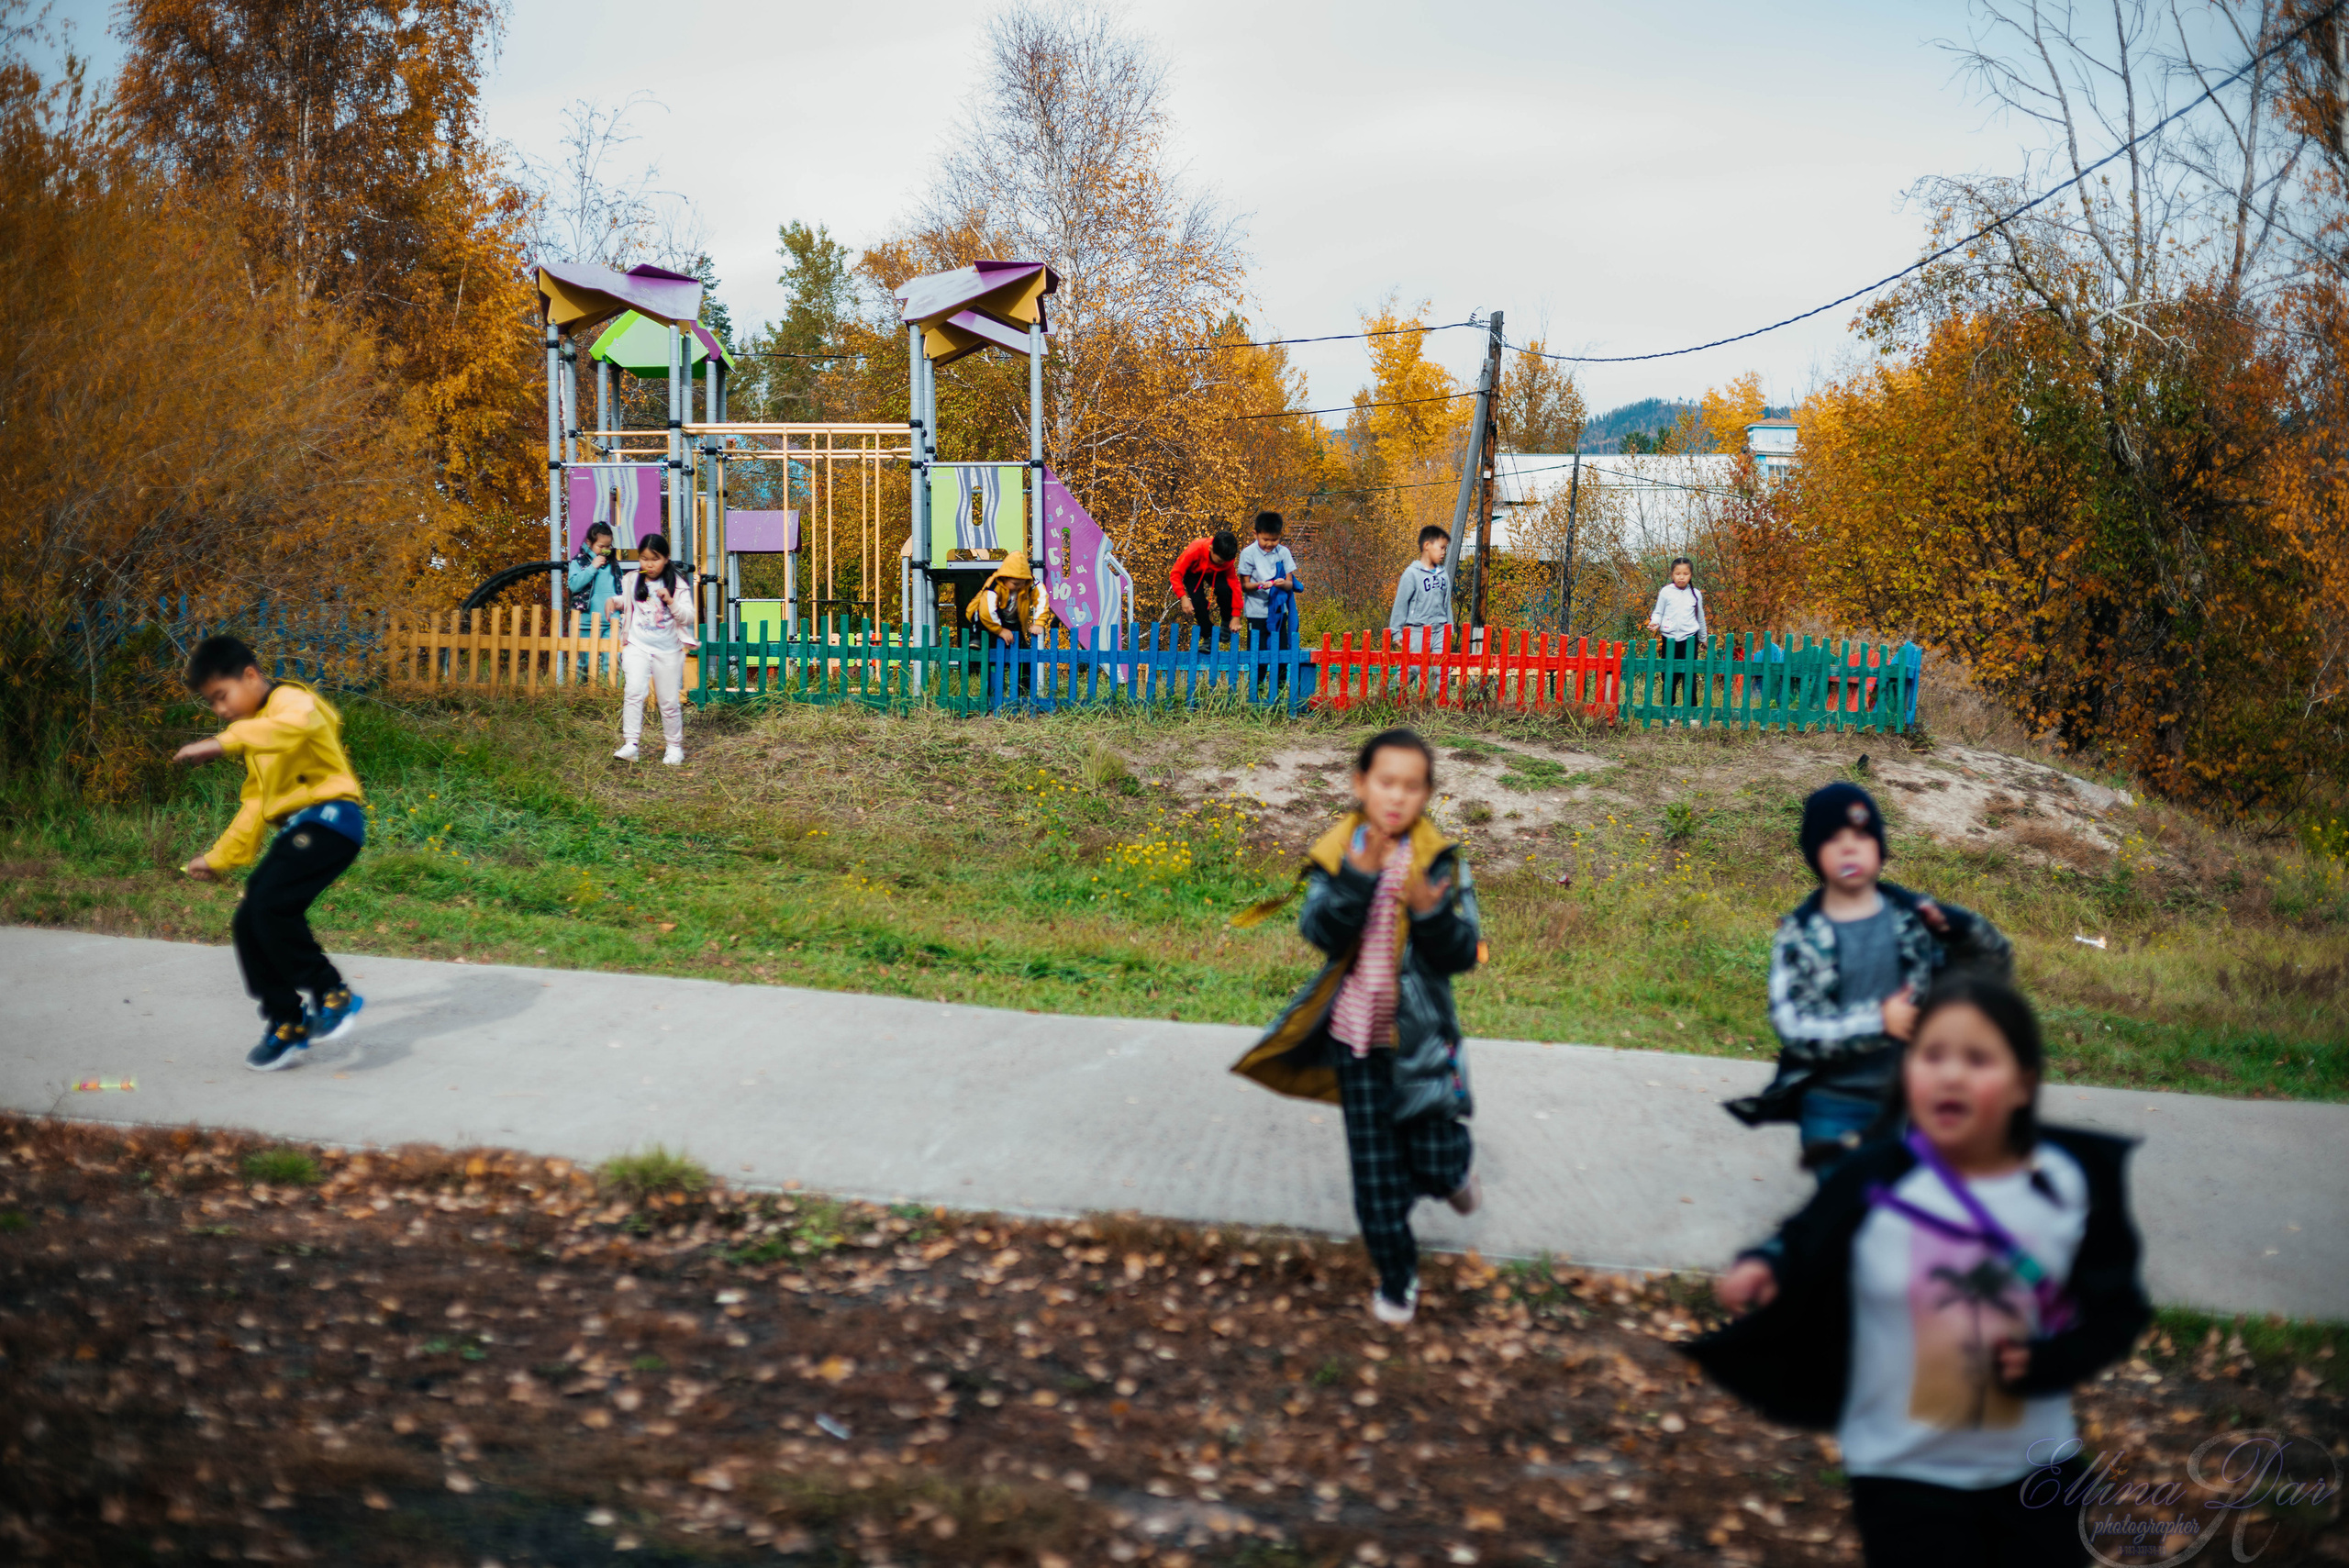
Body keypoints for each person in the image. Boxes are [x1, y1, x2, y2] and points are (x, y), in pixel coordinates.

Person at [1687, 975, 2149, 1568]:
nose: (1951, 1074)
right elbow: (1807, 1233)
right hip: (1902, 1472)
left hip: (2037, 1470)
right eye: (1932, 1055)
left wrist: (2053, 1361)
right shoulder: (1877, 1177)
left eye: (1978, 1058)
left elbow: (2120, 1309)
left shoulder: (2070, 1184)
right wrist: (1766, 1263)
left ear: (2024, 1082)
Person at [1230, 728, 1482, 1328]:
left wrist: (1428, 914)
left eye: (1411, 786)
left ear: (1427, 794)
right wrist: (1356, 878)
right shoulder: (1339, 849)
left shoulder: (1439, 859)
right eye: (1385, 782)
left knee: (1435, 1156)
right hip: (1355, 1040)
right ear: (1361, 784)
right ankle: (1398, 1280)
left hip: (1419, 1043)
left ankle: (1454, 1172)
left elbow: (1463, 952)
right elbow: (1319, 931)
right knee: (1375, 1178)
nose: (1396, 797)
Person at [1727, 783, 2011, 1178]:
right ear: (1814, 854)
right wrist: (1880, 1021)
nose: (1849, 847)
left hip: (1908, 1101)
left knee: (1903, 1215)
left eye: (1861, 836)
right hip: (1833, 1104)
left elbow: (1992, 970)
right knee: (1853, 1206)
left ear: (1879, 848)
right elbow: (1792, 1024)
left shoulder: (1911, 920)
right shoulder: (1801, 934)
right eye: (1833, 839)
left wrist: (1962, 929)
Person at [171, 635, 367, 1073]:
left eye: (222, 696)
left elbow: (293, 727)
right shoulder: (259, 738)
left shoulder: (292, 701)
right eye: (212, 704)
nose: (221, 711)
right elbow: (256, 806)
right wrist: (218, 857)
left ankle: (332, 993)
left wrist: (222, 742)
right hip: (303, 830)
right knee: (250, 919)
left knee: (268, 903)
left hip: (331, 820)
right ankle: (286, 1020)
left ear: (251, 675)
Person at [606, 532, 697, 765]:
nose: (649, 564)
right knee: (634, 692)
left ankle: (674, 747)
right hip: (637, 646)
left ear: (666, 558)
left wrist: (670, 601)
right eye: (644, 558)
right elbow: (627, 601)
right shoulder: (632, 579)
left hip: (668, 651)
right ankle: (631, 745)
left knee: (668, 701)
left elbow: (688, 617)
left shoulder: (677, 584)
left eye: (654, 558)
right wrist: (614, 602)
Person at [971, 550, 1055, 699]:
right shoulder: (994, 583)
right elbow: (987, 610)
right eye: (1015, 584)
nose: (1018, 587)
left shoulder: (1029, 583)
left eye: (1021, 583)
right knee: (994, 655)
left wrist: (1039, 622)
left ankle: (1024, 692)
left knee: (1024, 655)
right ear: (1005, 577)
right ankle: (992, 692)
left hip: (1013, 623)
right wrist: (1000, 630)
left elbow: (1042, 597)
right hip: (988, 620)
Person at [1237, 511, 1300, 698]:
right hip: (1256, 612)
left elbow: (1290, 583)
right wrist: (1259, 585)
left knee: (1281, 653)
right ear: (1255, 534)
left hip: (1279, 611)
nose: (1270, 544)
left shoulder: (1283, 552)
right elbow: (1245, 585)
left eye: (1275, 539)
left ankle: (1279, 693)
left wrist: (1282, 584)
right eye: (1266, 539)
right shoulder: (1248, 553)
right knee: (1257, 654)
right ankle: (1255, 693)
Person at [565, 523, 626, 679]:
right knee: (584, 664)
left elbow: (621, 590)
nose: (605, 550)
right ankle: (580, 698)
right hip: (586, 621)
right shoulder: (578, 562)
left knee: (611, 663)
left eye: (609, 546)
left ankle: (612, 697)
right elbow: (574, 585)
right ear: (588, 543)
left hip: (611, 621)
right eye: (601, 546)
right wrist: (592, 567)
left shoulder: (613, 564)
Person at [1644, 556, 1707, 709]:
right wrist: (1655, 622)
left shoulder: (1695, 594)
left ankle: (1691, 711)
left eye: (1685, 574)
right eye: (1678, 573)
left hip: (1690, 639)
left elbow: (1700, 617)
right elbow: (1659, 612)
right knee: (1669, 674)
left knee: (1689, 674)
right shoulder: (1666, 592)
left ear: (1691, 575)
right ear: (1672, 575)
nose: (1681, 577)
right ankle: (1668, 710)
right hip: (1669, 638)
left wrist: (1703, 638)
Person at [1168, 528, 1243, 641]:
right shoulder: (1195, 549)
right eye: (1219, 561)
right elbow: (1175, 574)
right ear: (1211, 549)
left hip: (1215, 573)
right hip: (1193, 572)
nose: (1222, 563)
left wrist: (1236, 615)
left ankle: (1226, 622)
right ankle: (1208, 636)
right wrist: (1183, 597)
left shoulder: (1225, 562)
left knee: (1226, 590)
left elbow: (1235, 587)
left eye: (1224, 562)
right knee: (1199, 603)